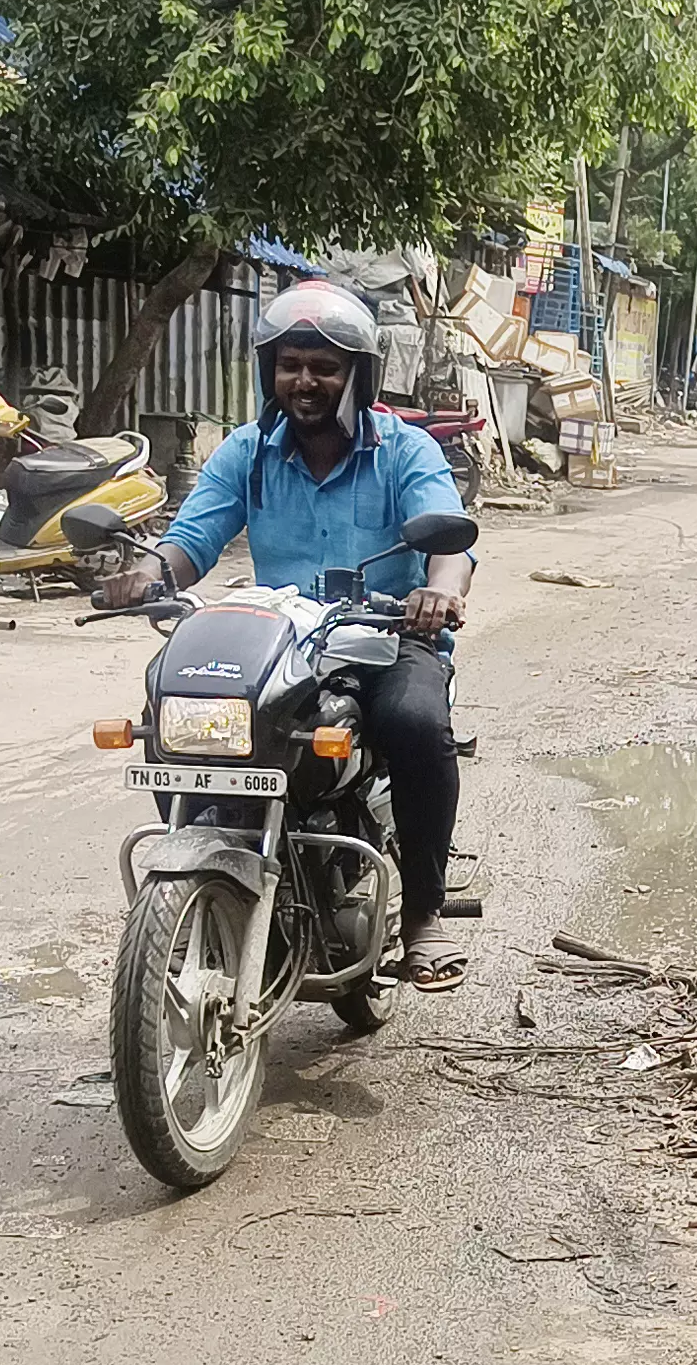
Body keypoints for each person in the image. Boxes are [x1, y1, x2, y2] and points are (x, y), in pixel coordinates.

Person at [98, 280, 478, 991]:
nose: (305, 381)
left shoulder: (404, 449)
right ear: (270, 371)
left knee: (416, 721)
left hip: (385, 637)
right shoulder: (247, 451)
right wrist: (147, 571)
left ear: (357, 374)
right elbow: (192, 535)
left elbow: (449, 542)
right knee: (172, 702)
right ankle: (220, 853)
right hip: (285, 643)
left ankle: (424, 914)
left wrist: (441, 592)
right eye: (290, 364)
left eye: (325, 366)